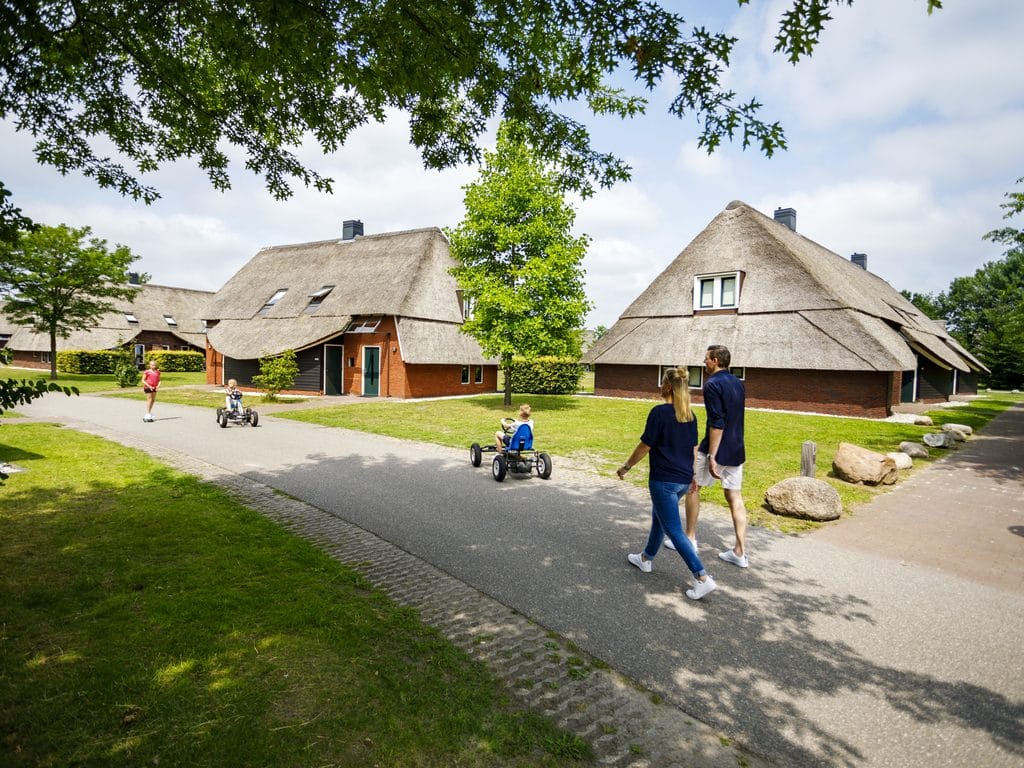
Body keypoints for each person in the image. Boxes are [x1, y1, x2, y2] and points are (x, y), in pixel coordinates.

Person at [618, 368, 716, 601]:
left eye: (662, 383)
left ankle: (702, 578)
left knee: (673, 529)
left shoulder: (659, 413)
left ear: (669, 387)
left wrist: (626, 466)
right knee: (659, 519)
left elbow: (645, 446)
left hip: (664, 481)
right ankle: (646, 558)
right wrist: (692, 477)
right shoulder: (690, 416)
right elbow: (693, 449)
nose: (660, 386)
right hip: (682, 480)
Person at [690, 344, 749, 568]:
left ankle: (689, 539)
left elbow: (717, 422)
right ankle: (740, 552)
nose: (704, 362)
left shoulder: (712, 384)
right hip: (736, 449)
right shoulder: (737, 383)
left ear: (715, 360)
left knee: (693, 486)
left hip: (716, 448)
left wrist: (712, 455)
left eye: (706, 358)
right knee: (734, 497)